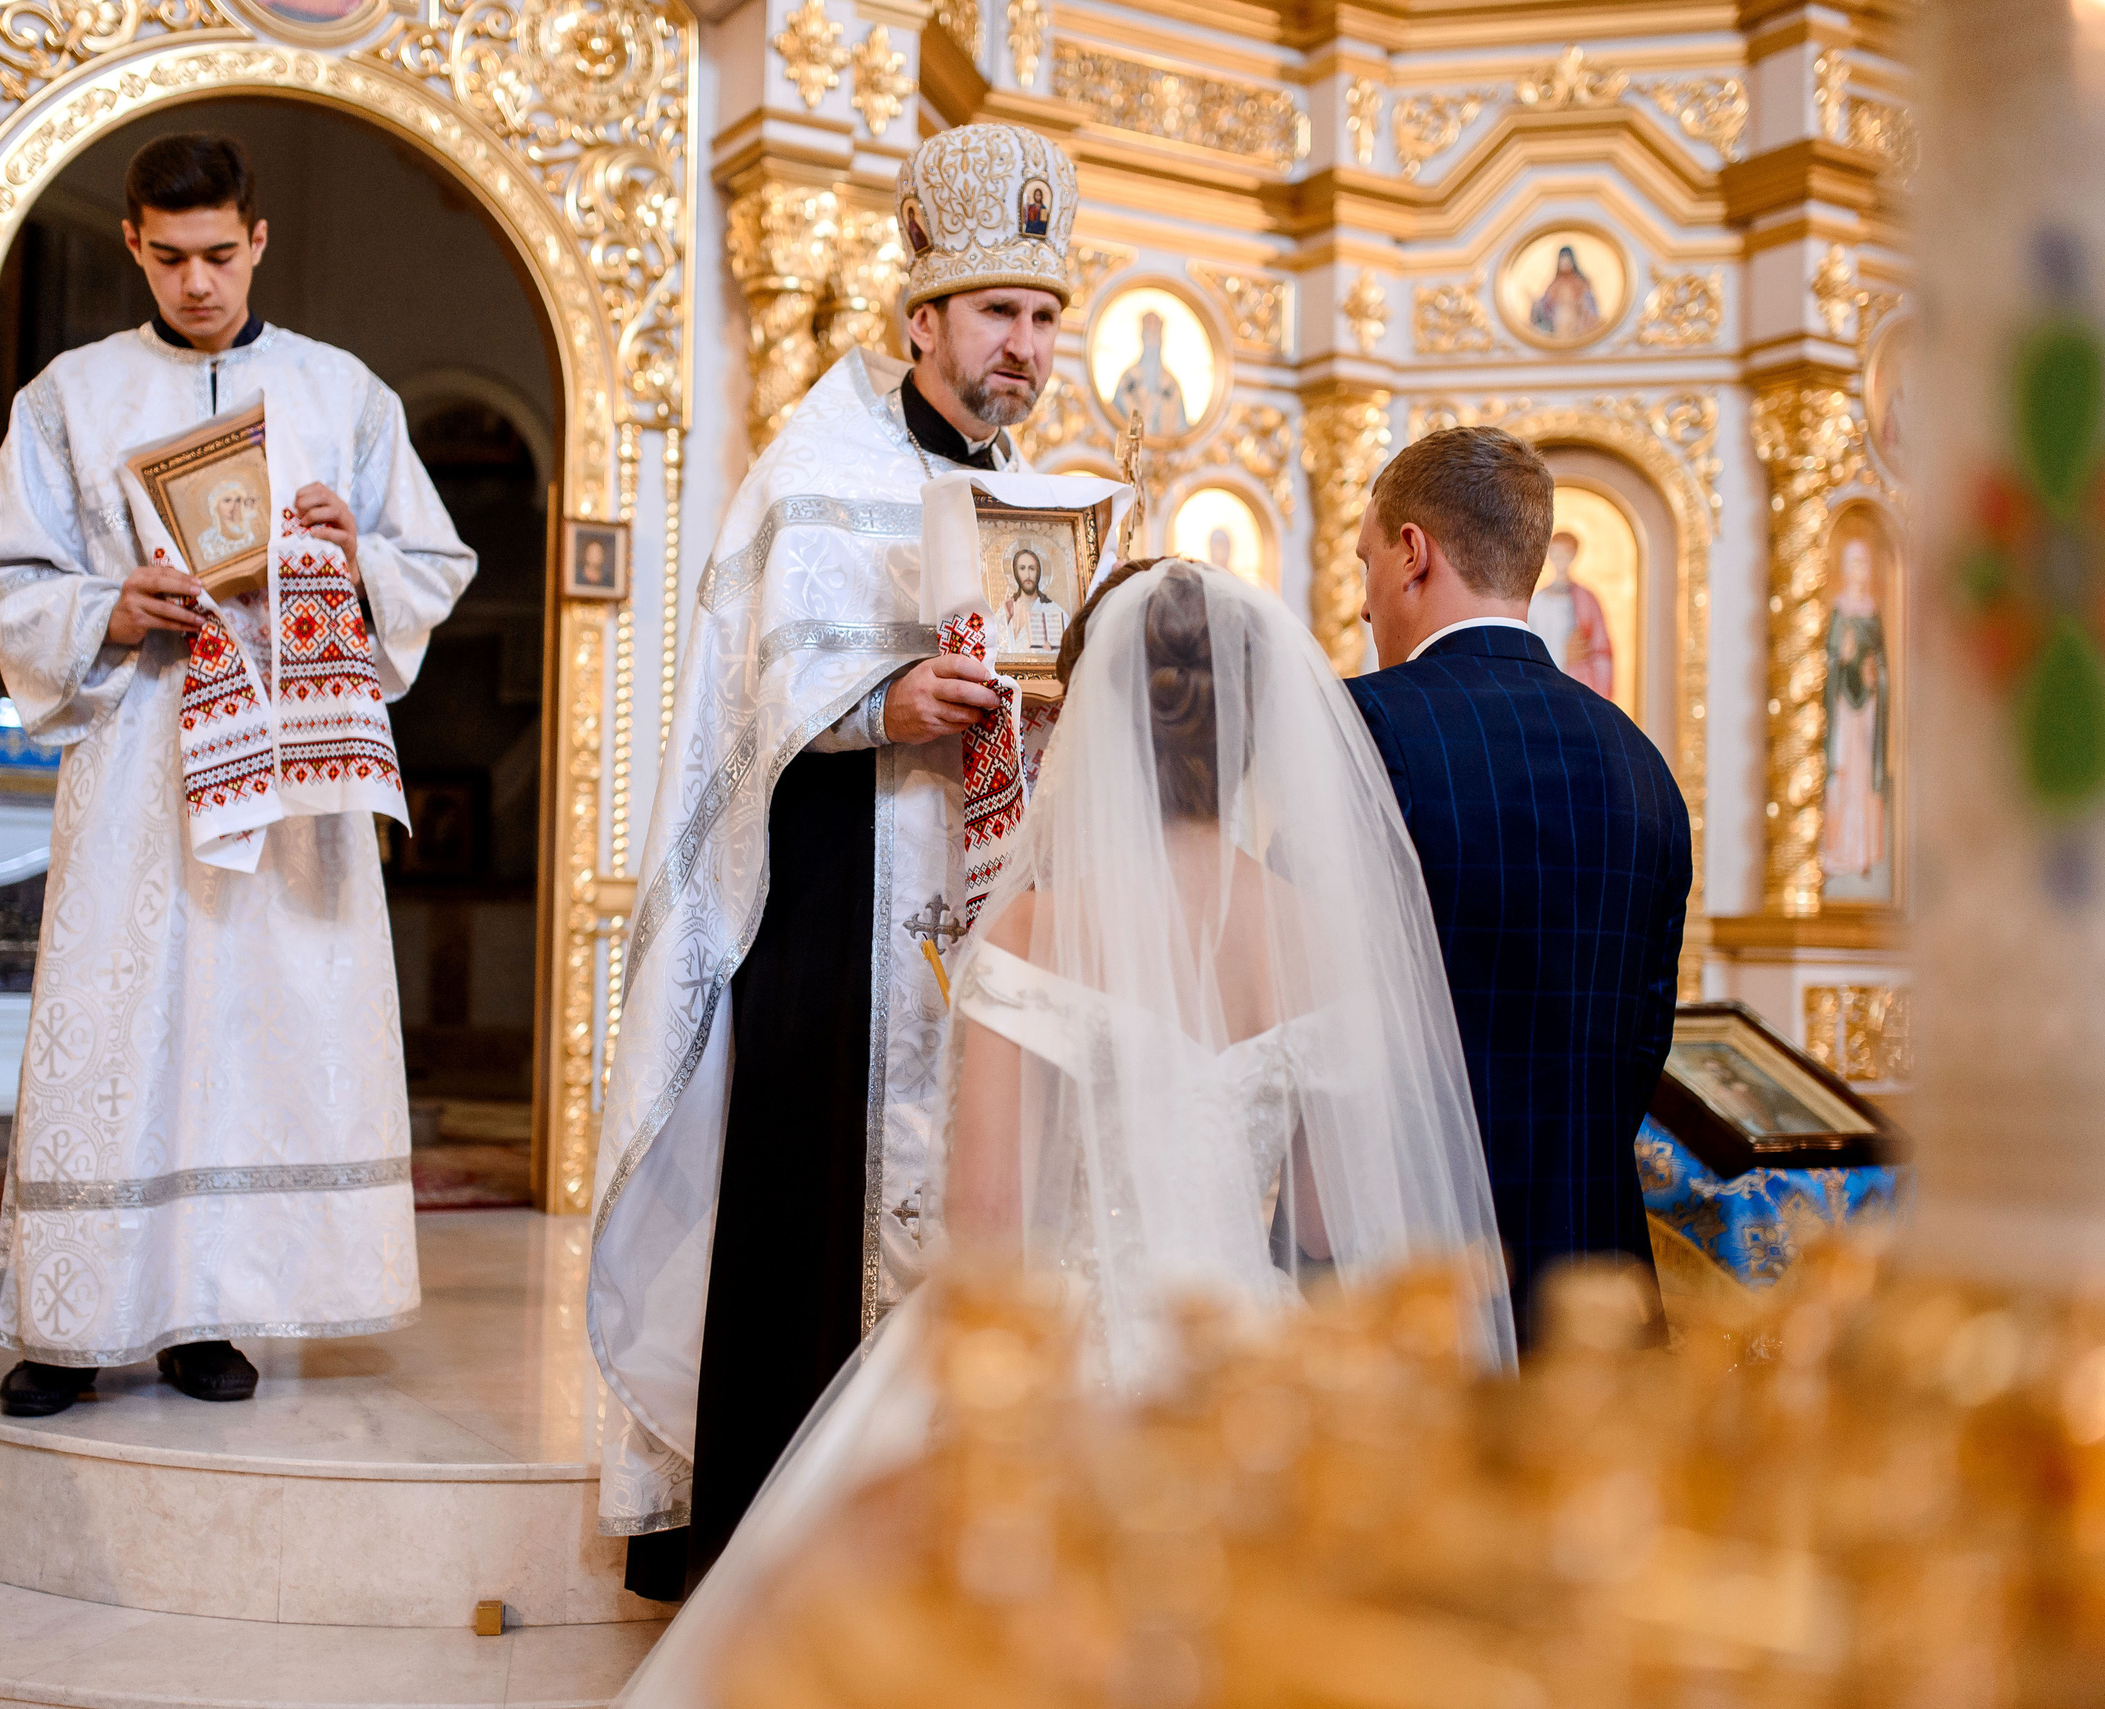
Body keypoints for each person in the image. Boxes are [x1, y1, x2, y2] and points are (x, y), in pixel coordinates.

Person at [612, 560, 1513, 1706]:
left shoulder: (1038, 927)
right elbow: (1331, 1214)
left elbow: (986, 1225)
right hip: (1246, 1358)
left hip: (1067, 1356)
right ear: (1251, 731)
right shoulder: (1312, 934)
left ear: (1093, 724)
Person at [592, 121, 1078, 1600]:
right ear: (921, 316)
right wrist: (883, 706)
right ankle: (784, 1560)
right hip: (834, 913)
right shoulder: (815, 470)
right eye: (1000, 311)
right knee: (814, 1217)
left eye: (1047, 315)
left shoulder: (1048, 494)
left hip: (990, 914)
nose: (1026, 346)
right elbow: (744, 718)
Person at [0, 132, 475, 1417]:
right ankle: (71, 1322)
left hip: (291, 770)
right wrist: (111, 608)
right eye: (172, 257)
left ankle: (211, 1311)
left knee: (256, 1029)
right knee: (124, 1024)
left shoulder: (339, 393)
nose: (198, 282)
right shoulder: (70, 396)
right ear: (134, 242)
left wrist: (353, 558)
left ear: (258, 242)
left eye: (221, 255)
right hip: (139, 759)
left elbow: (433, 561)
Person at [1347, 426, 1691, 1344]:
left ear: (1412, 554)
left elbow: (1321, 1018)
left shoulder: (1357, 729)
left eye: (1366, 563)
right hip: (1597, 1284)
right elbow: (1639, 1047)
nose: (1365, 605)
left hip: (1413, 1282)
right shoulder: (1640, 761)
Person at [1821, 536, 1888, 880]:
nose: (1860, 571)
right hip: (1844, 710)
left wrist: (1875, 677)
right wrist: (1841, 660)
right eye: (1854, 564)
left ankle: (1861, 852)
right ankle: (1838, 852)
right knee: (1843, 775)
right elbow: (1830, 660)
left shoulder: (1872, 613)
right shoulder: (1840, 609)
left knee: (1861, 779)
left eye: (1865, 564)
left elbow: (1881, 664)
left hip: (1867, 709)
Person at [1528, 527, 1616, 698]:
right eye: (1556, 554)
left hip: (1577, 687)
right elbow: (1529, 648)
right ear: (1549, 555)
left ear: (1574, 556)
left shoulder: (1587, 599)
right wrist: (1562, 656)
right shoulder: (1538, 601)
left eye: (1566, 554)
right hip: (1544, 688)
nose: (1561, 560)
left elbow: (1601, 649)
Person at [1110, 310, 1191, 436]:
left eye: (1155, 332)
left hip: (1164, 452)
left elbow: (1181, 428)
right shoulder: (1128, 379)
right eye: (1149, 331)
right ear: (1142, 336)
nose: (1152, 337)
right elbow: (1113, 418)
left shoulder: (1170, 384)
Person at [995, 546, 1065, 653]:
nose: (1028, 575)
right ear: (1015, 572)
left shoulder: (1053, 610)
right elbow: (995, 650)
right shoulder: (1005, 611)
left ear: (1038, 572)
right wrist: (1008, 620)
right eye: (1022, 568)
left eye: (1032, 568)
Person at [1530, 244, 1602, 340]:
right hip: (1558, 324)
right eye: (1562, 259)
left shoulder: (1580, 283)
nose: (1564, 262)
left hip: (1577, 323)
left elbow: (1590, 306)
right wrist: (1536, 304)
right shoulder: (1554, 285)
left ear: (1572, 260)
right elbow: (1545, 306)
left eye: (1567, 259)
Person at [195, 475, 260, 562]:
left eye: (237, 500)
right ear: (216, 506)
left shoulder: (252, 528)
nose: (233, 505)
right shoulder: (207, 538)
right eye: (227, 500)